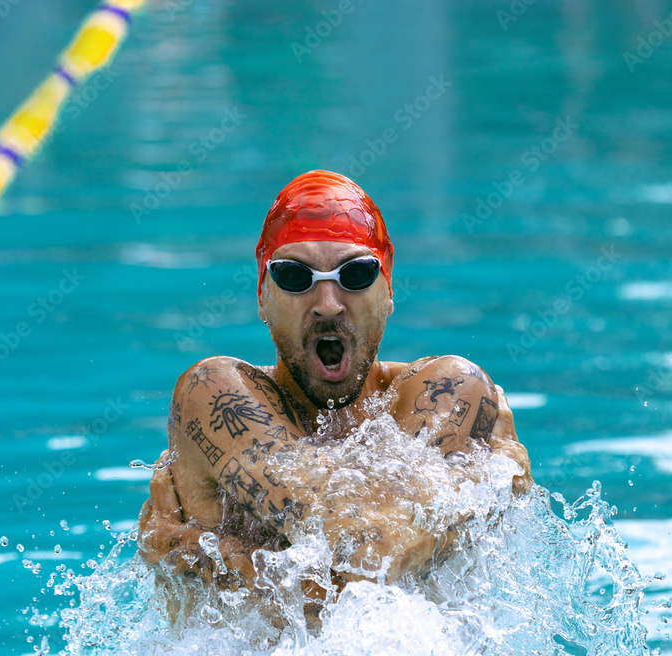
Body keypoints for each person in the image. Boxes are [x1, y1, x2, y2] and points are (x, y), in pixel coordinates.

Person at [138, 170, 532, 597]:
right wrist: (482, 495)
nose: (327, 305)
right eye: (294, 276)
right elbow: (373, 568)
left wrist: (190, 549)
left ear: (387, 286)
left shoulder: (452, 388)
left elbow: (373, 563)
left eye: (356, 273)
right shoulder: (215, 393)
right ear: (262, 292)